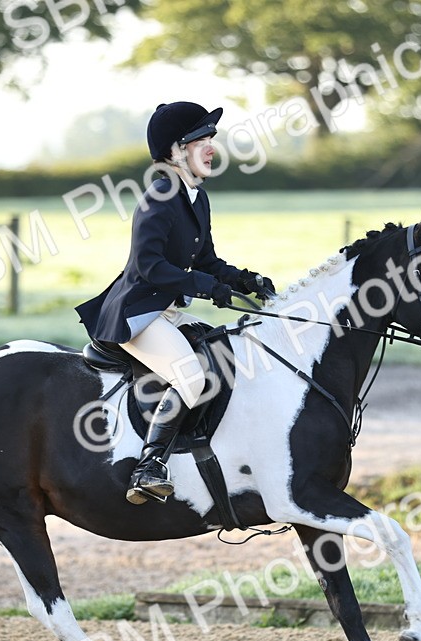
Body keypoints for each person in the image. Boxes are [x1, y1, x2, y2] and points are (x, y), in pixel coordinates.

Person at [76, 101, 277, 505]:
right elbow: (150, 266)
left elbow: (206, 261)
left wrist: (243, 280)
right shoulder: (159, 196)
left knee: (222, 350)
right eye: (201, 139)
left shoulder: (195, 197)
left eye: (211, 140)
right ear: (176, 150)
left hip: (163, 311)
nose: (210, 148)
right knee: (193, 377)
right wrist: (207, 287)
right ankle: (149, 466)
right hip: (136, 314)